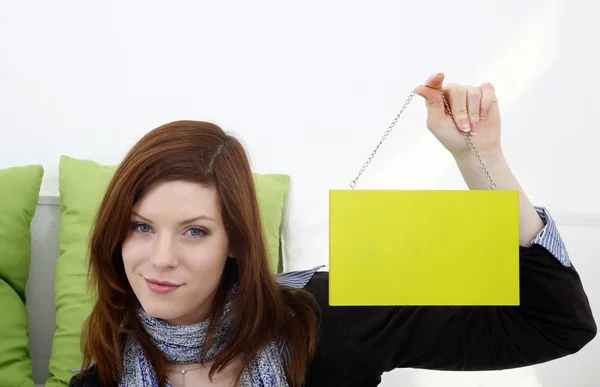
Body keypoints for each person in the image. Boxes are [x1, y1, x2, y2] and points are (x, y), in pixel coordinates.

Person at [69, 73, 596, 387]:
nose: (160, 258)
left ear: (237, 243)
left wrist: (482, 159)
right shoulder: (99, 378)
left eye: (195, 232)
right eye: (141, 226)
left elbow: (555, 324)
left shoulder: (329, 318)